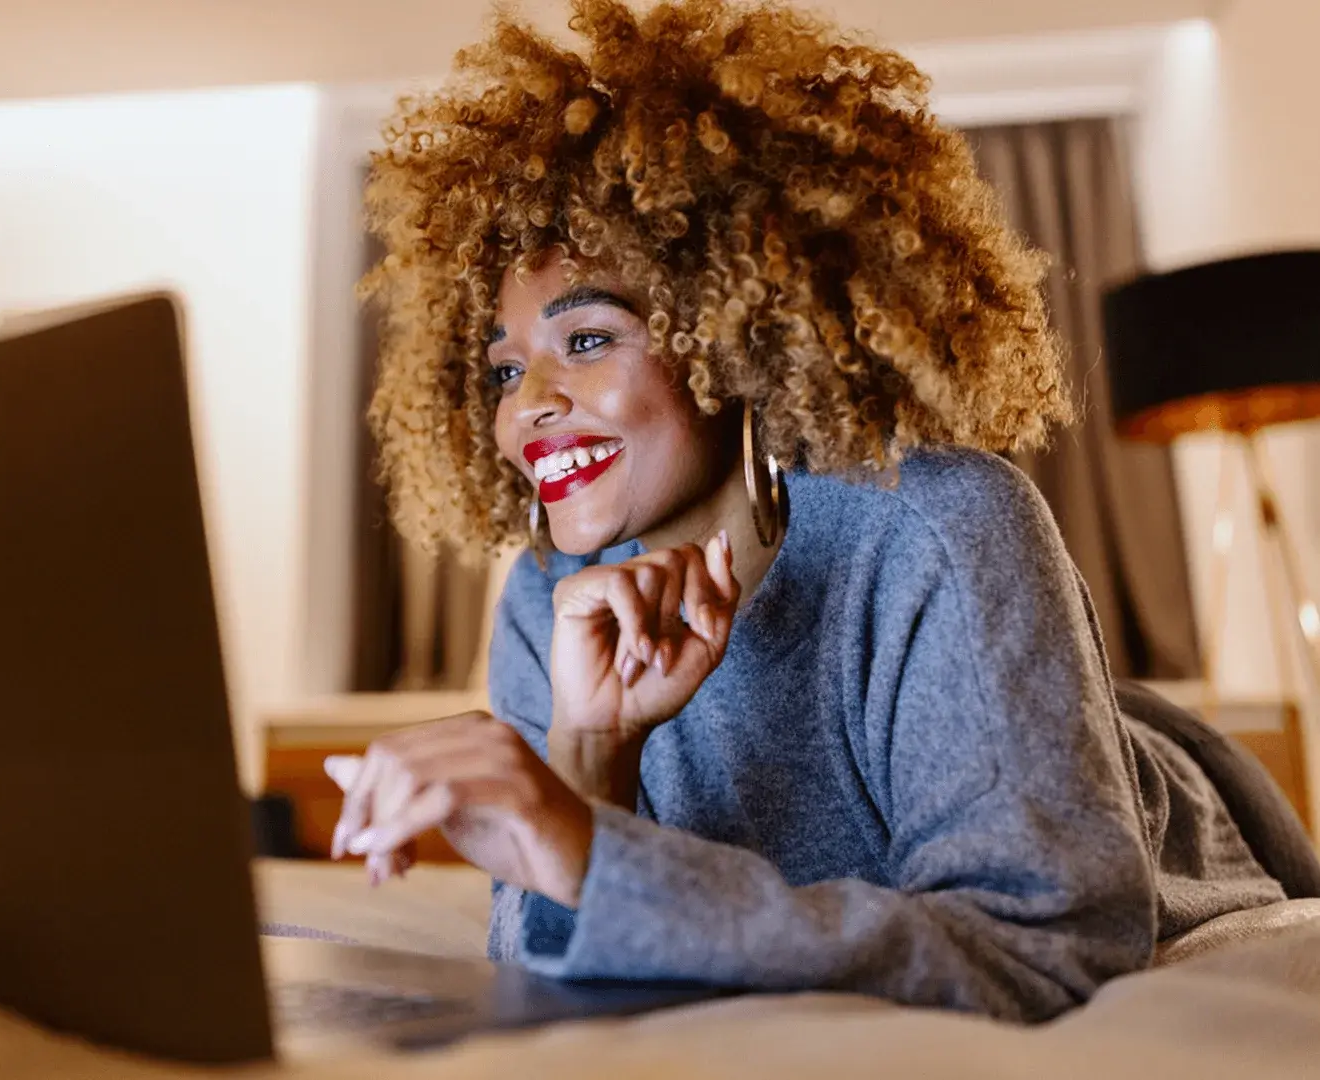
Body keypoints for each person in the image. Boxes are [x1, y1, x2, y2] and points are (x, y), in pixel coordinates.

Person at [324, 0, 1291, 1022]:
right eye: (507, 368)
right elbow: (555, 947)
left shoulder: (938, 528)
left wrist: (583, 847)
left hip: (1148, 794)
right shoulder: (547, 600)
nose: (528, 406)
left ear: (739, 338)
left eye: (591, 340)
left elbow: (1046, 953)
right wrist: (588, 758)